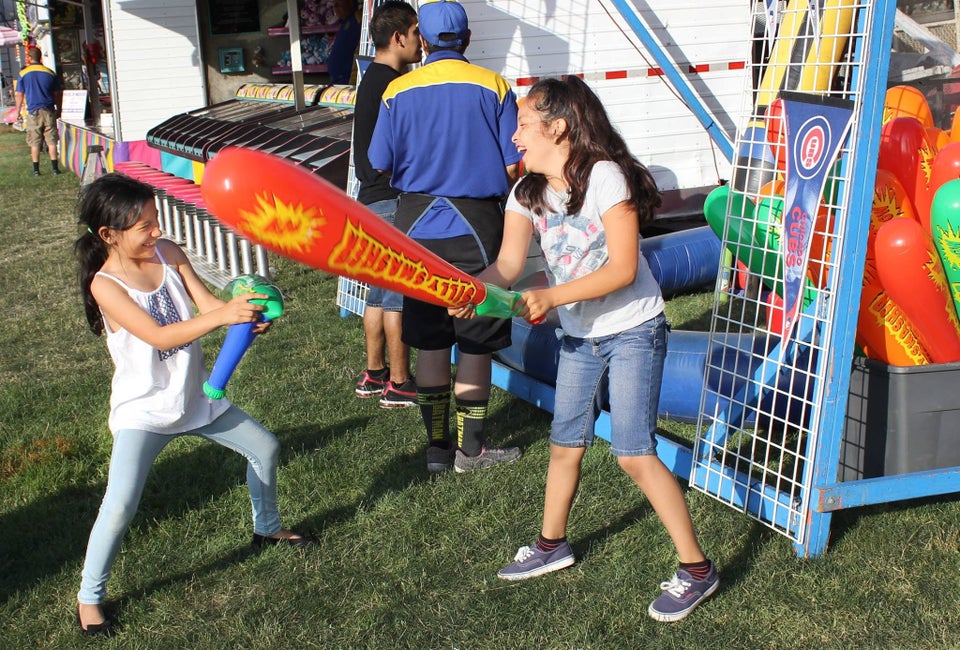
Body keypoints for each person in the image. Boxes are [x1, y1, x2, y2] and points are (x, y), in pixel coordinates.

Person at [468, 76, 719, 622]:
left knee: (632, 451)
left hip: (634, 329)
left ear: (557, 127)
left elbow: (625, 268)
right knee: (565, 445)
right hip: (580, 336)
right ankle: (551, 544)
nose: (515, 138)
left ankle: (697, 569)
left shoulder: (604, 177)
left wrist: (550, 296)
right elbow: (508, 268)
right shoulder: (525, 192)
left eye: (524, 125)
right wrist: (471, 290)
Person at [73, 174, 314, 637]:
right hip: (144, 411)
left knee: (264, 448)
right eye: (144, 226)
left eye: (155, 220)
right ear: (109, 235)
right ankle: (89, 597)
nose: (157, 231)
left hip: (195, 398)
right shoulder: (105, 286)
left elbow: (208, 306)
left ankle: (267, 529)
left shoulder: (171, 255)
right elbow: (160, 336)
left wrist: (241, 316)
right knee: (121, 504)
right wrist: (222, 316)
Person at [368, 0, 522, 473]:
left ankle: (437, 450)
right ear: (469, 39)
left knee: (431, 341)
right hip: (479, 224)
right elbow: (515, 163)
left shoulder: (397, 89)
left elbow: (380, 160)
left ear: (424, 40)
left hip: (414, 227)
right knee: (476, 341)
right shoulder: (494, 86)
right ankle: (470, 451)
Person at [352, 0, 421, 408]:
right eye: (415, 34)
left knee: (377, 293)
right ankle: (399, 381)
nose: (420, 43)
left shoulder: (369, 80)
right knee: (397, 294)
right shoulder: (394, 85)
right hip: (391, 199)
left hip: (368, 201)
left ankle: (374, 373)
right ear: (398, 37)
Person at [14, 46, 62, 177]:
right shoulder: (50, 72)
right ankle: (55, 169)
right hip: (49, 110)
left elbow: (19, 94)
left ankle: (36, 170)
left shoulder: (24, 74)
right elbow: (57, 93)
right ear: (40, 57)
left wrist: (17, 111)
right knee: (51, 139)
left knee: (35, 141)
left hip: (33, 111)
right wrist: (60, 108)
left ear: (29, 58)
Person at [327, 0, 361, 85]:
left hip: (348, 79)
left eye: (338, 5)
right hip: (338, 80)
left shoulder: (358, 19)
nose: (336, 8)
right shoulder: (345, 22)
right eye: (334, 5)